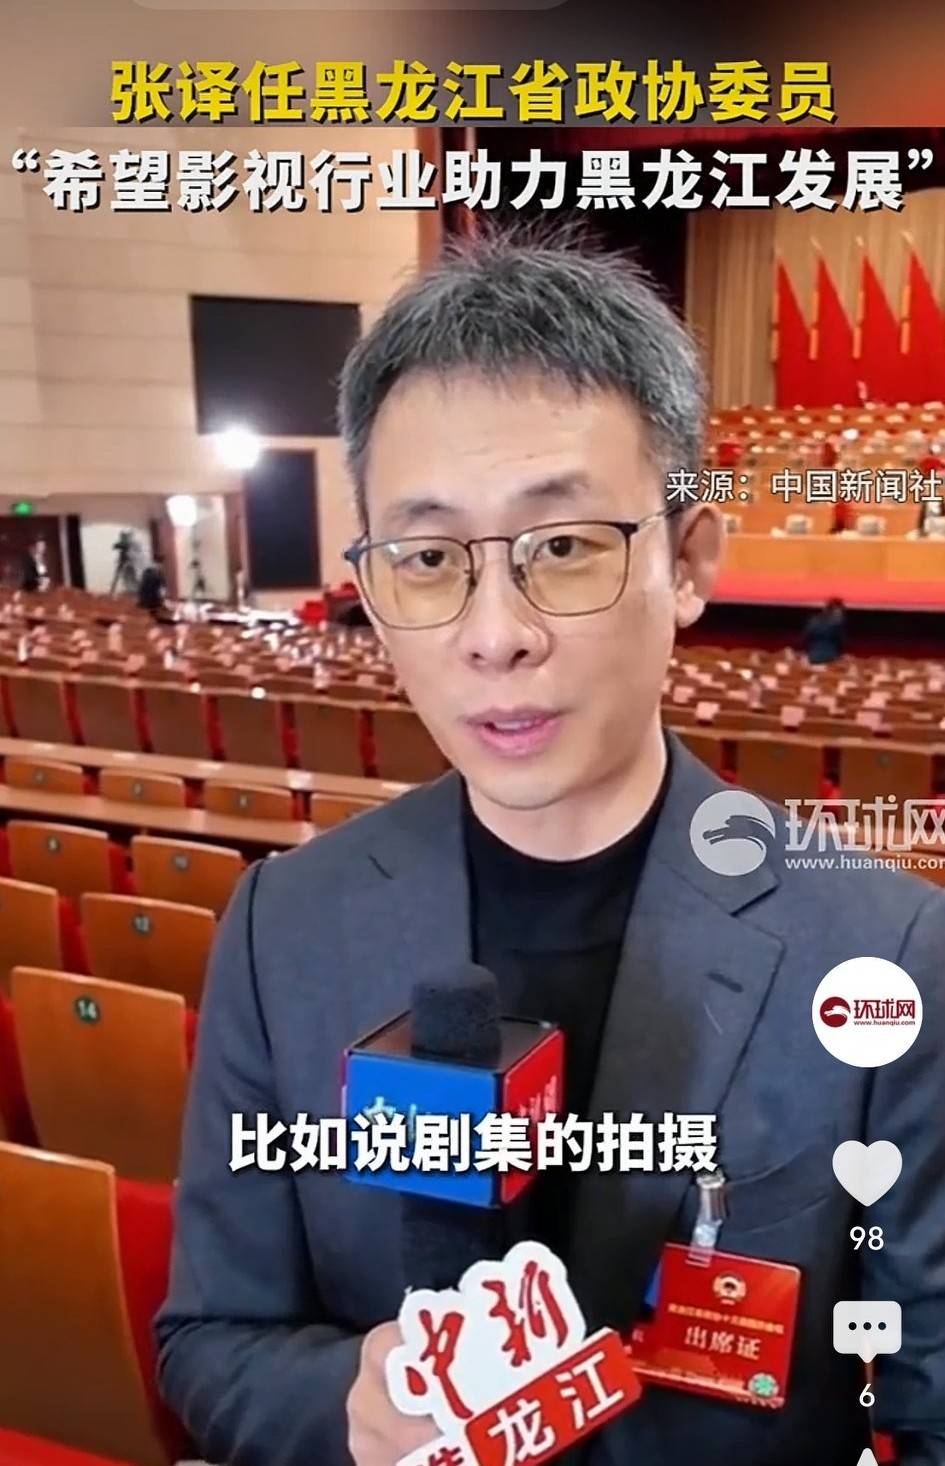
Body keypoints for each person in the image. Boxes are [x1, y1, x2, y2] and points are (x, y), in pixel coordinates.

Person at [156, 231, 945, 1466]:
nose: (495, 633)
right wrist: (347, 1402)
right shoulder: (283, 924)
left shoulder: (884, 950)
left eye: (564, 544)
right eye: (428, 559)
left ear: (690, 561)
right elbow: (212, 1336)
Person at [802, 596, 847, 664]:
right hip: (829, 658)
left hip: (813, 657)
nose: (839, 616)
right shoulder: (837, 624)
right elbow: (842, 642)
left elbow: (805, 637)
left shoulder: (814, 620)